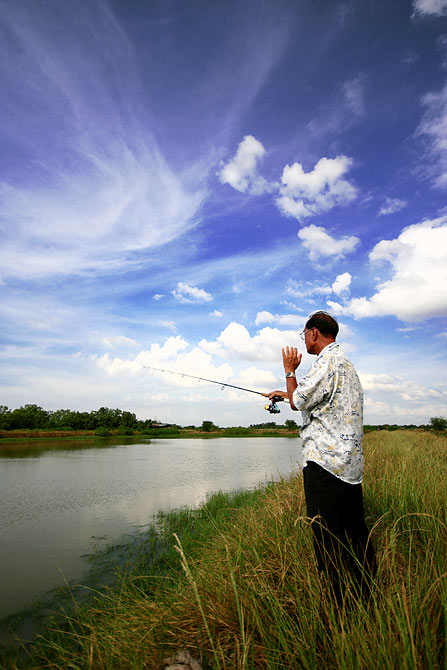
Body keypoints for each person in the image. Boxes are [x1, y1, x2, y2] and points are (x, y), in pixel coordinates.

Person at [269, 311, 376, 606]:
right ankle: (367, 597)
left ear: (314, 332)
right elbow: (305, 397)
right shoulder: (344, 363)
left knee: (327, 541)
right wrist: (286, 392)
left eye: (303, 333)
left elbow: (297, 402)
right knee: (355, 534)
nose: (302, 339)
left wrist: (289, 372)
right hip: (349, 468)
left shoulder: (325, 362)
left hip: (326, 467)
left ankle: (338, 609)